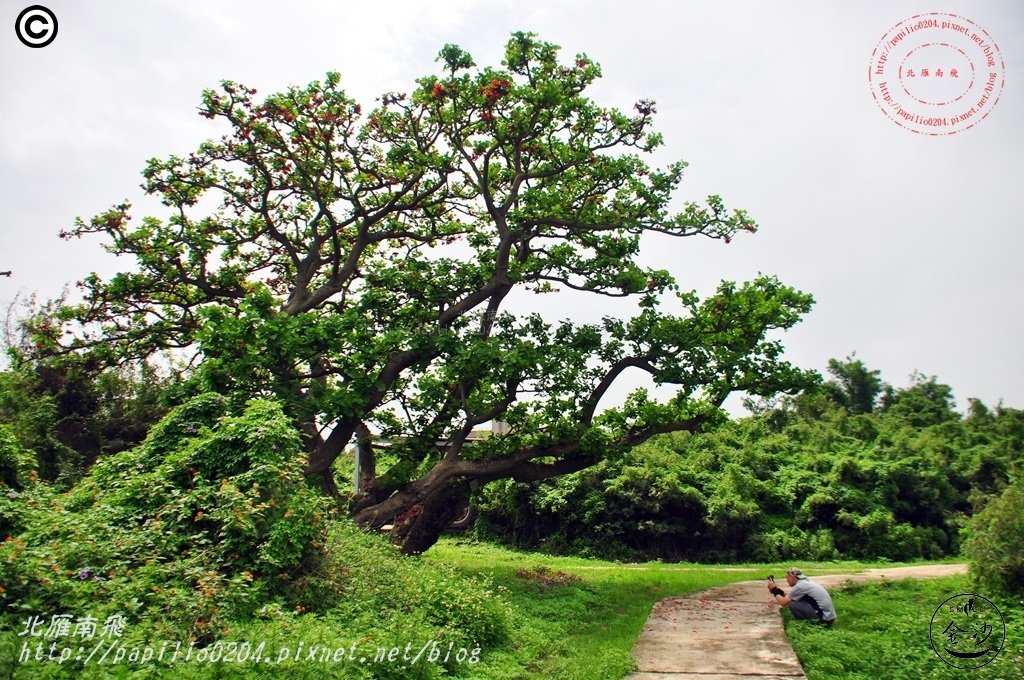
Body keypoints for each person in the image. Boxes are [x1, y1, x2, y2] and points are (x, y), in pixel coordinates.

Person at [767, 567, 836, 625]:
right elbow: (789, 596)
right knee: (793, 601)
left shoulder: (800, 586)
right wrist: (776, 590)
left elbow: (783, 602)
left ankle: (806, 624)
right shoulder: (804, 582)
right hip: (829, 618)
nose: (786, 580)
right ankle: (811, 622)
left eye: (787, 578)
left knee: (792, 604)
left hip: (824, 619)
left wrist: (774, 590)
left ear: (792, 577)